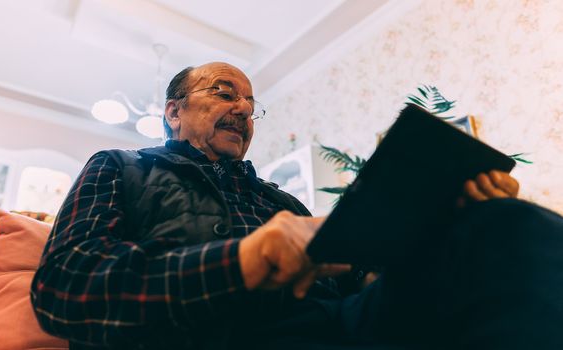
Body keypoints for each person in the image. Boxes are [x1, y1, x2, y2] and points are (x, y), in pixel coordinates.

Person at [31, 62, 563, 350]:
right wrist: (241, 260)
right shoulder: (121, 167)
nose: (243, 108)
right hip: (209, 335)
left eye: (250, 103)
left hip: (336, 326)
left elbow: (366, 286)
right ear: (173, 111)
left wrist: (445, 230)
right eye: (223, 92)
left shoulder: (281, 200)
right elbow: (64, 288)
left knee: (505, 225)